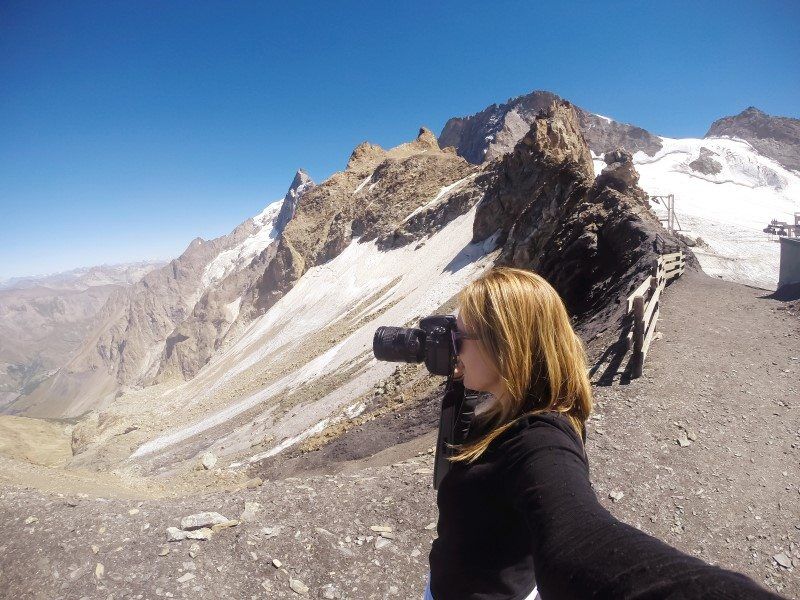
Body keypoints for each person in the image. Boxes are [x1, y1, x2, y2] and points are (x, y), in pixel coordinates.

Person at [424, 267, 784, 600]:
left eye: (459, 337)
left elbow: (577, 539)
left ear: (505, 345)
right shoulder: (504, 407)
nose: (452, 348)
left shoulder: (540, 437)